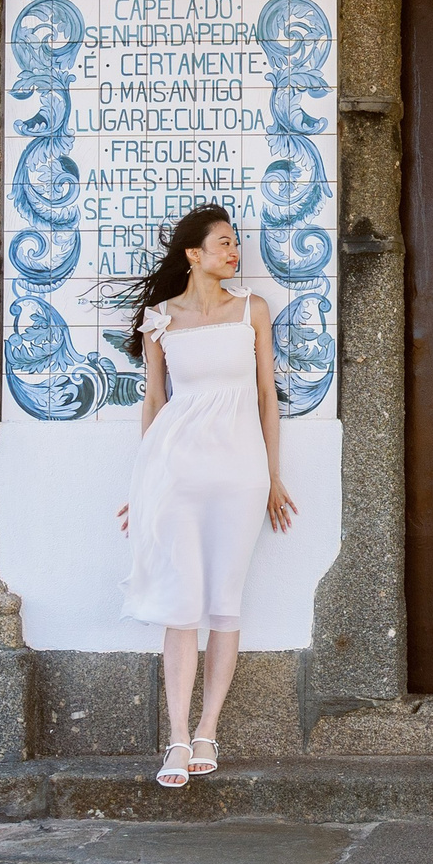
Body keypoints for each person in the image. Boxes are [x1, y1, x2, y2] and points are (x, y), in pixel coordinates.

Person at [109, 205, 297, 788]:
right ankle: (175, 738)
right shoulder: (160, 317)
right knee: (179, 605)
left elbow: (268, 396)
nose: (233, 252)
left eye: (235, 244)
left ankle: (208, 729)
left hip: (240, 475)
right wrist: (142, 485)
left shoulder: (252, 311)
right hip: (177, 473)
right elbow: (154, 404)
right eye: (223, 243)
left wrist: (273, 475)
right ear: (193, 253)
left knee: (224, 604)